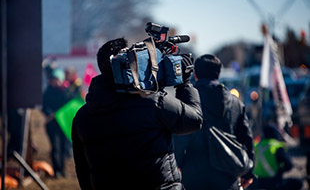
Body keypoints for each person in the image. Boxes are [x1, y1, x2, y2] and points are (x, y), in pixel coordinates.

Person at [71, 37, 203, 190]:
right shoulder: (153, 102)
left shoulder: (82, 117)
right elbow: (194, 120)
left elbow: (82, 169)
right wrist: (184, 85)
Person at [173, 54, 255, 190]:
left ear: (196, 74)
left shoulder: (189, 100)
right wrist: (248, 173)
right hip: (228, 175)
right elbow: (246, 139)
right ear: (218, 73)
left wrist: (176, 166)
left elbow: (181, 137)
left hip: (194, 176)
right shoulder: (235, 102)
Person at [252, 124, 303, 190]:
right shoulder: (277, 146)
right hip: (274, 183)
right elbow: (289, 165)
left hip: (257, 183)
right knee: (299, 182)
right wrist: (279, 170)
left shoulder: (257, 146)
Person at [42, 68, 69, 178]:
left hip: (63, 124)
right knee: (55, 147)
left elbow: (69, 106)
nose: (55, 82)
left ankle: (62, 170)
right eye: (53, 79)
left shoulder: (66, 91)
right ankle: (56, 170)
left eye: (57, 79)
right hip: (52, 124)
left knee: (63, 148)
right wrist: (50, 113)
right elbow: (44, 106)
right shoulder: (48, 92)